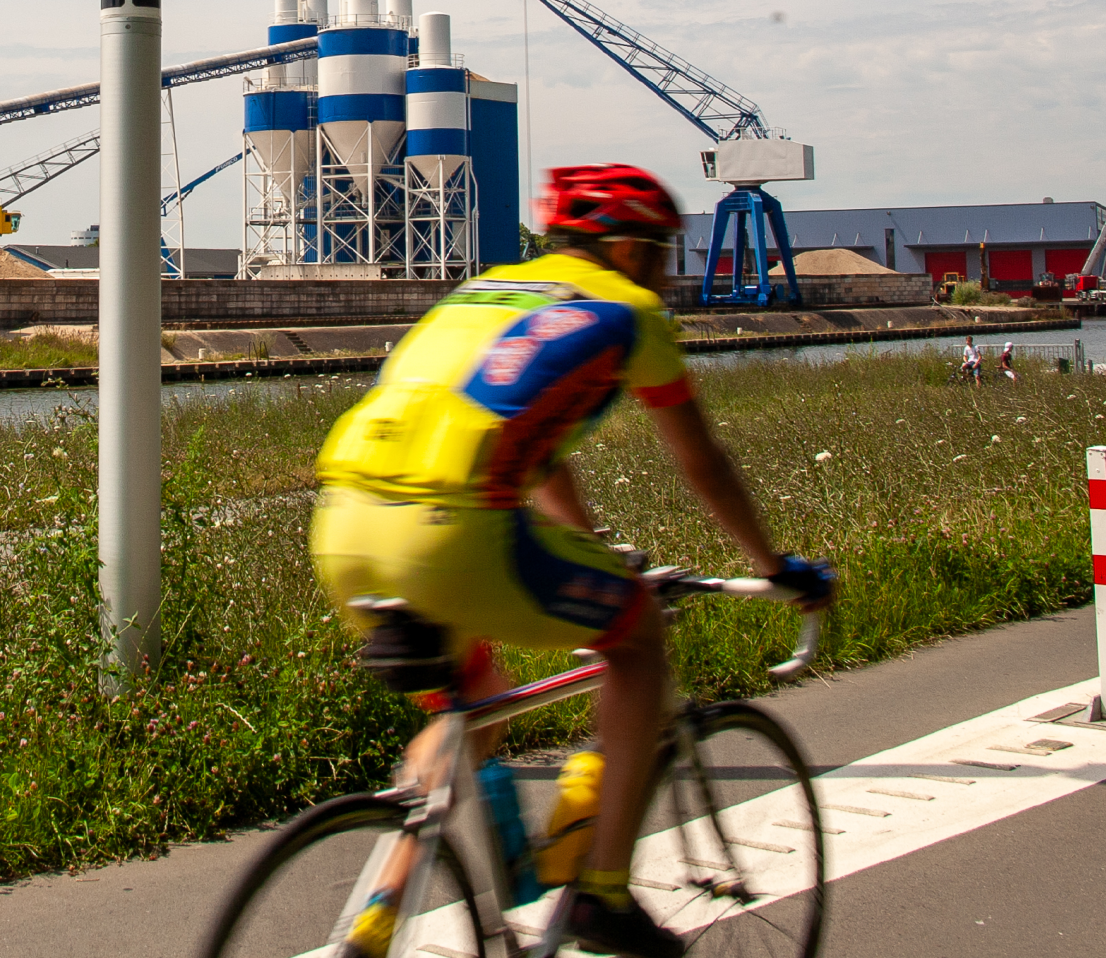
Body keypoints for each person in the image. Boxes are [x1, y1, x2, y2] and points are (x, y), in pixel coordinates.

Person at [310, 164, 837, 958]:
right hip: (449, 529)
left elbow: (531, 440)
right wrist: (776, 564)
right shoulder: (629, 312)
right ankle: (601, 894)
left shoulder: (490, 289)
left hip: (344, 524)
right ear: (626, 250)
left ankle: (377, 922)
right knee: (635, 642)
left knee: (473, 698)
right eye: (663, 253)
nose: (668, 272)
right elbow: (704, 462)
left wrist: (589, 550)